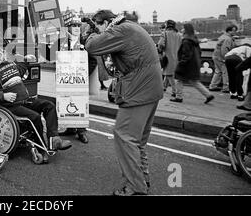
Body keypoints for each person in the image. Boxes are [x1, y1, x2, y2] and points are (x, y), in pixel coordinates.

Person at [84, 10, 163, 196]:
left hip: (139, 89)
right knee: (137, 140)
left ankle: (136, 186)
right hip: (150, 87)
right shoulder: (129, 27)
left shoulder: (121, 30)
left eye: (100, 26)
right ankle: (143, 178)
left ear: (107, 22)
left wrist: (91, 32)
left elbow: (93, 46)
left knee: (124, 136)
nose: (102, 31)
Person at [0, 46, 72, 163]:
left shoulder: (11, 64)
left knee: (49, 105)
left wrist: (27, 59)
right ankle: (40, 148)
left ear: (1, 54)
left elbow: (22, 68)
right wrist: (3, 96)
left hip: (26, 101)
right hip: (11, 106)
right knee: (35, 117)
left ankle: (54, 140)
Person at [171, 23, 215, 104]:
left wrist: (181, 63)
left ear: (186, 30)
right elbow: (199, 52)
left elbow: (186, 54)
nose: (181, 30)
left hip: (186, 64)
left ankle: (178, 97)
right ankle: (208, 95)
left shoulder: (186, 41)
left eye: (183, 28)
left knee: (178, 79)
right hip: (194, 63)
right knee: (194, 81)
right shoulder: (194, 40)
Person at [61, 19, 89, 144]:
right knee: (67, 101)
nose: (77, 27)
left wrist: (85, 72)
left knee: (80, 102)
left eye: (78, 25)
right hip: (66, 76)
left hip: (79, 76)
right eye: (73, 25)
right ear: (68, 27)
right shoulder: (62, 40)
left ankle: (81, 131)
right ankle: (71, 128)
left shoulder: (84, 40)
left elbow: (92, 58)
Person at [209, 25, 238, 92]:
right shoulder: (228, 39)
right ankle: (226, 87)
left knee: (218, 71)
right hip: (221, 58)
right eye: (234, 30)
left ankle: (213, 86)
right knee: (225, 72)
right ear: (229, 31)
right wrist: (225, 59)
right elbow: (224, 49)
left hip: (216, 56)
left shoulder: (223, 36)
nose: (235, 32)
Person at [158, 20, 182, 97]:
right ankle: (163, 87)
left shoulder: (164, 33)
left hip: (168, 57)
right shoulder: (179, 34)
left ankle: (174, 91)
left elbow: (161, 44)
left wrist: (160, 50)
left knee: (169, 74)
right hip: (177, 57)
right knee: (169, 73)